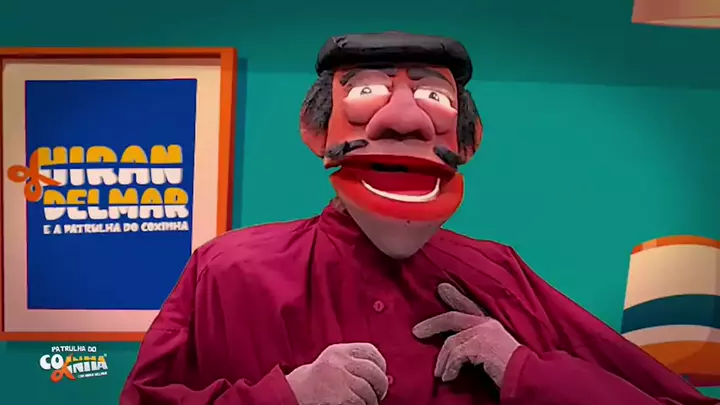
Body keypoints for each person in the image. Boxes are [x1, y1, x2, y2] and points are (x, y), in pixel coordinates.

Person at [120, 32, 718, 405]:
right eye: (367, 95)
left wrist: (523, 369)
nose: (403, 120)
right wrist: (286, 396)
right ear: (316, 132)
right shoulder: (225, 269)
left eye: (434, 99)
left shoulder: (497, 273)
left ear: (468, 141)